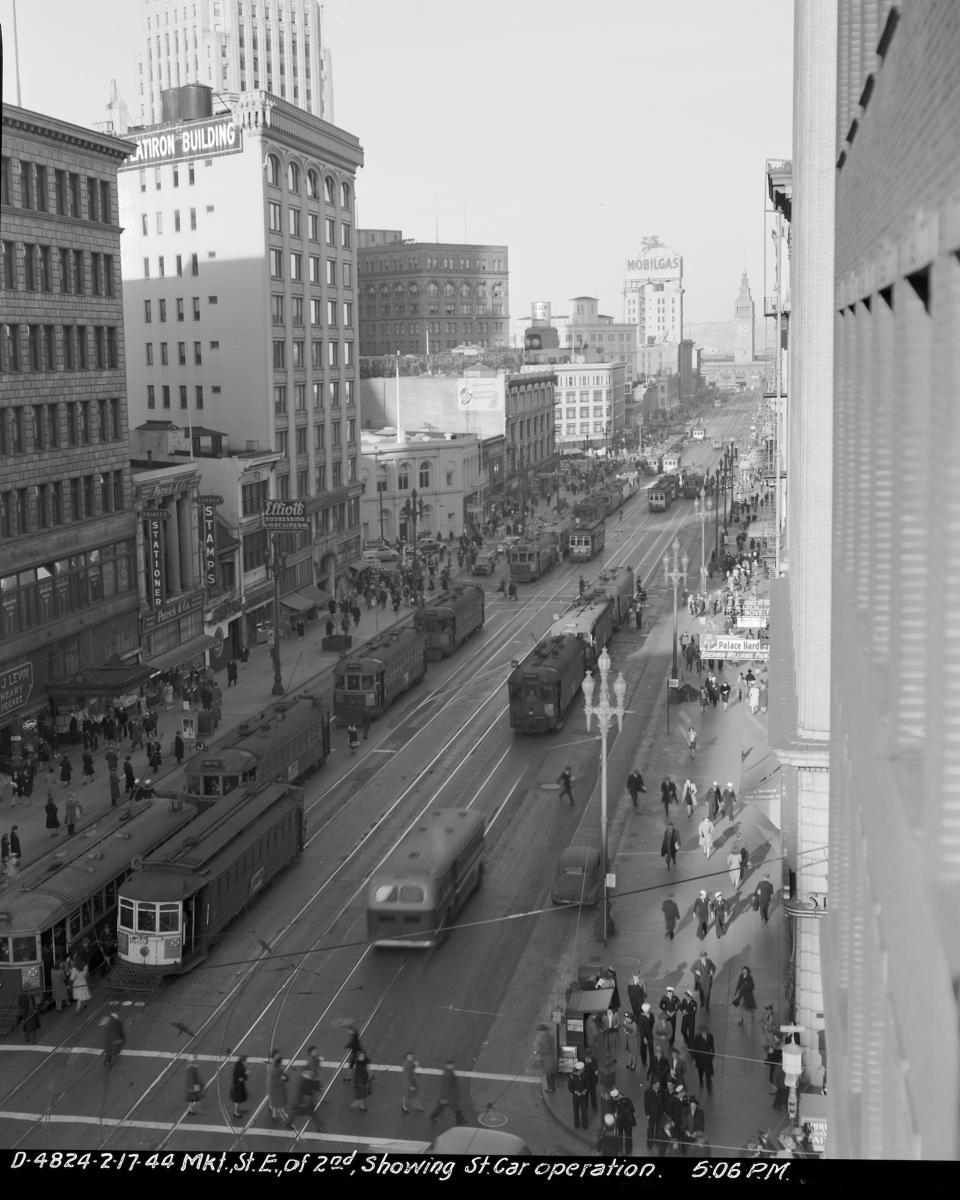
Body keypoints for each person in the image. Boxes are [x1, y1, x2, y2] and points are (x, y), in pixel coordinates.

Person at [429, 1060, 465, 1125]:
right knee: (454, 1108)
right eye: (452, 1065)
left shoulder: (448, 1072)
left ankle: (460, 1121)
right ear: (449, 1065)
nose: (453, 1066)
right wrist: (444, 1097)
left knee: (453, 1108)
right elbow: (446, 1086)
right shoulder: (448, 1074)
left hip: (449, 1095)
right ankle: (460, 1121)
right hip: (449, 1096)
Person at [267, 1051, 293, 1127]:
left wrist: (284, 1077)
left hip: (275, 1090)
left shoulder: (275, 1067)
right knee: (280, 1107)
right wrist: (283, 1079)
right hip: (277, 1090)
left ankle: (274, 1117)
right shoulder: (276, 1070)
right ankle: (288, 1123)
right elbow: (276, 1081)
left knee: (276, 1104)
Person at [534, 1024, 557, 1096]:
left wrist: (537, 1052)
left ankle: (551, 1088)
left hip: (546, 1057)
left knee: (548, 1074)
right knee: (550, 1073)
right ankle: (552, 1087)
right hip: (550, 1056)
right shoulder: (549, 1035)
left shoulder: (541, 1036)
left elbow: (539, 1047)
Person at [691, 1027, 716, 1094]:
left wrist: (713, 1054)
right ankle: (701, 1080)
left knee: (708, 1074)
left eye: (705, 1031)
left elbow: (712, 1045)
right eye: (703, 1031)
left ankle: (709, 1087)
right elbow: (694, 1048)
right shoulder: (697, 1037)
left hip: (708, 1059)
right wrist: (694, 1058)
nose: (704, 1032)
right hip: (700, 1059)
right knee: (701, 1072)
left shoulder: (710, 1036)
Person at [614, 1090, 637, 1156]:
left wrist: (620, 1115)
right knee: (620, 1135)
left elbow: (632, 1110)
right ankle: (620, 1149)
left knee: (628, 1137)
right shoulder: (617, 1101)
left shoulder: (628, 1100)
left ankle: (628, 1151)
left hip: (627, 1122)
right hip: (620, 1122)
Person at [568, 1061, 590, 1130]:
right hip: (576, 1097)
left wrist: (585, 1090)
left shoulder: (585, 1075)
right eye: (583, 1069)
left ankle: (585, 1125)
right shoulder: (572, 1077)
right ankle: (576, 1124)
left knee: (584, 1111)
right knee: (576, 1111)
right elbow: (569, 1087)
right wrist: (575, 1092)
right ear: (579, 1070)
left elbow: (588, 1085)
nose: (584, 1070)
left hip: (583, 1097)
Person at [230, 1054, 248, 1119]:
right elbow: (242, 1077)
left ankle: (237, 1110)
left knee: (238, 1098)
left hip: (236, 1084)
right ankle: (235, 1112)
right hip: (238, 1086)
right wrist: (246, 1074)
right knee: (237, 1099)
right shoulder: (241, 1067)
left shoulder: (237, 1065)